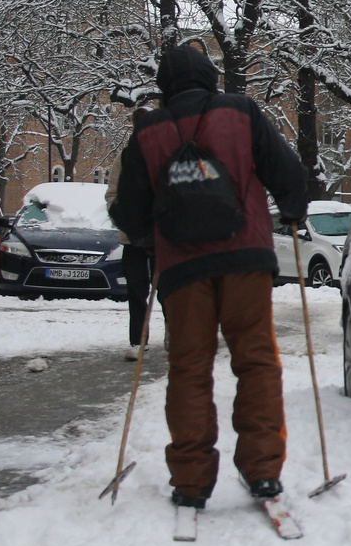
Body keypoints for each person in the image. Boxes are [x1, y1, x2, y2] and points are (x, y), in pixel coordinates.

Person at [109, 44, 309, 512]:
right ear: (211, 77)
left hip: (182, 269)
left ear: (164, 86)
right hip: (246, 258)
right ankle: (262, 471)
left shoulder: (148, 132)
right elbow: (288, 172)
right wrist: (294, 209)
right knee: (256, 361)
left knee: (189, 368)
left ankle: (191, 480)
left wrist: (148, 242)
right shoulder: (240, 112)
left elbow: (128, 211)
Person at [104, 108, 154, 361]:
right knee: (136, 290)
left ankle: (174, 336)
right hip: (133, 237)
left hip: (162, 236)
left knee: (166, 288)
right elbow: (112, 194)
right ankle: (138, 340)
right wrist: (123, 221)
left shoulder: (165, 155)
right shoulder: (125, 158)